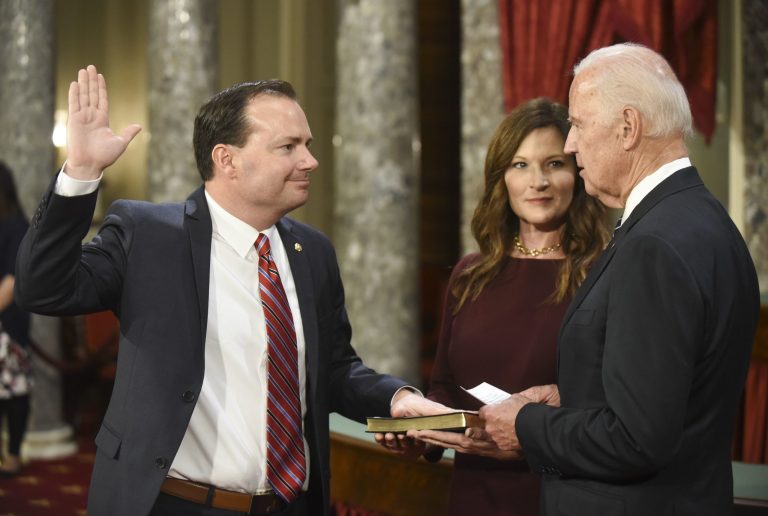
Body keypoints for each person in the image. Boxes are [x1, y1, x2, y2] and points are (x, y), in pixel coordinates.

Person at [14, 65, 440, 516]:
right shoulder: (149, 235)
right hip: (175, 503)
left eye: (307, 145)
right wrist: (81, 171)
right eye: (288, 147)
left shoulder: (312, 251)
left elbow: (332, 369)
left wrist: (399, 398)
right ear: (227, 160)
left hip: (290, 504)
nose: (310, 161)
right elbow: (43, 289)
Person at [475, 43, 760, 515]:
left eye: (579, 125)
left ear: (627, 127)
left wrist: (526, 424)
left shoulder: (656, 244)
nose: (569, 144)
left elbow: (635, 439)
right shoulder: (704, 221)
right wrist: (577, 395)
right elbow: (671, 390)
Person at [405, 98, 607, 515]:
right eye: (520, 165)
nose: (538, 182)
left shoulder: (602, 274)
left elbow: (611, 404)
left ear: (577, 173)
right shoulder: (470, 274)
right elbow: (444, 385)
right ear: (502, 179)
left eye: (554, 164)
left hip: (560, 493)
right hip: (474, 491)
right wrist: (422, 433)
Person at [0, 162, 32, 476]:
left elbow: (12, 280)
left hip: (7, 325)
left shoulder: (17, 225)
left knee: (13, 393)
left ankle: (13, 454)